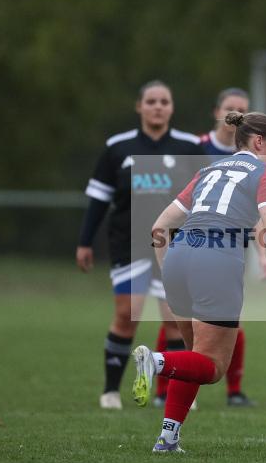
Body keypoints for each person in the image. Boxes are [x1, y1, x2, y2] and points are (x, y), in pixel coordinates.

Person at [132, 111, 266, 452]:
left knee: (193, 355)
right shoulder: (264, 174)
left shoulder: (208, 171)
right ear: (259, 142)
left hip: (179, 257)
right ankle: (155, 362)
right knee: (213, 366)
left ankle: (168, 439)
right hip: (215, 262)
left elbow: (159, 228)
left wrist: (168, 270)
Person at [76, 80, 207, 410]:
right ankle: (109, 391)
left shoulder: (189, 146)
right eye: (151, 101)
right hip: (129, 244)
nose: (158, 106)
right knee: (125, 315)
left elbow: (206, 198)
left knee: (175, 319)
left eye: (164, 101)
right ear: (139, 107)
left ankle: (173, 392)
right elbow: (99, 199)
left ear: (172, 107)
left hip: (176, 246)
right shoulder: (118, 147)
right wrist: (84, 242)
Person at [152, 87, 266, 408]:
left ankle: (228, 394)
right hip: (201, 248)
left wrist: (260, 253)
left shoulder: (241, 159)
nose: (237, 116)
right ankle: (163, 378)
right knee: (199, 341)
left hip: (201, 251)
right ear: (218, 111)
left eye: (243, 110)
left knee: (213, 333)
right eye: (232, 109)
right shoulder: (198, 149)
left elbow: (255, 215)